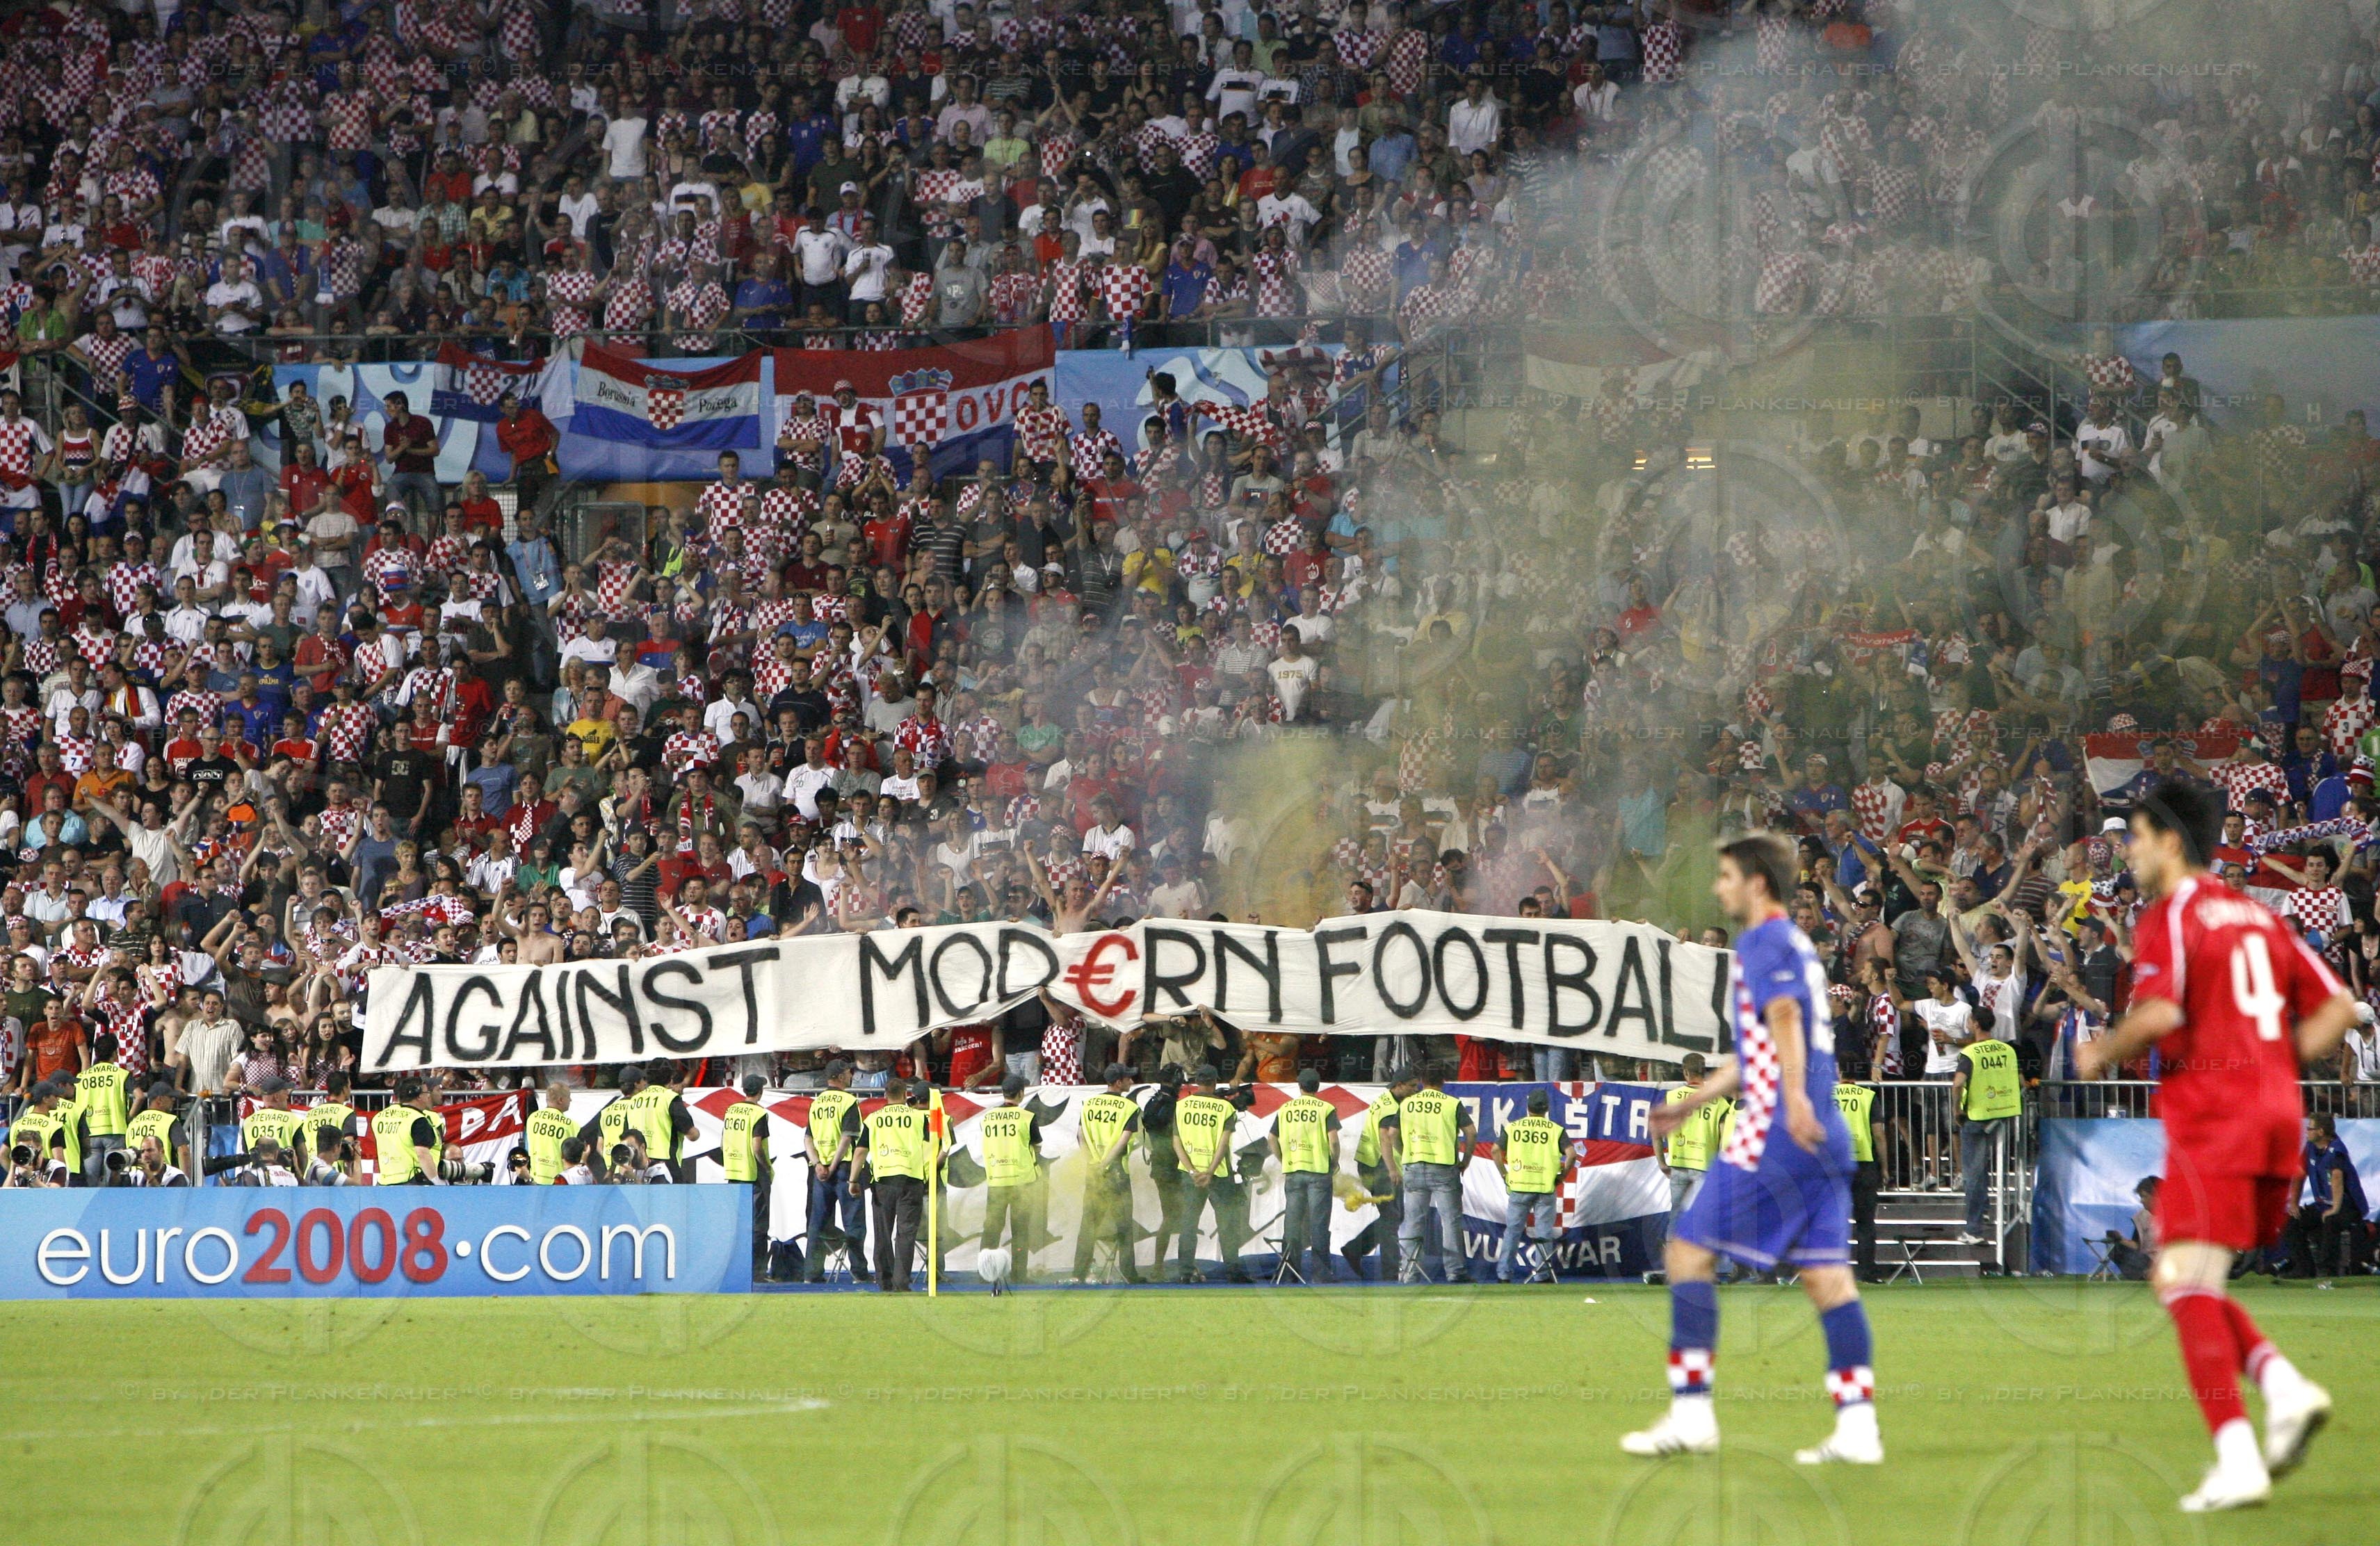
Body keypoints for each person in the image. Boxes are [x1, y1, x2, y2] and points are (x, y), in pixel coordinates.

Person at [2075, 780, 2352, 1511]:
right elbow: (2339, 1008)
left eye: (2135, 835)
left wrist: (2102, 1049)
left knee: (2185, 1281)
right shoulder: (2258, 915)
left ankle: (2237, 1455)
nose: (2128, 849)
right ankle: (2284, 1387)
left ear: (2169, 841)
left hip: (2215, 1117)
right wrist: (2273, 1069)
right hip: (2274, 1118)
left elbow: (2163, 1007)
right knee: (2185, 1279)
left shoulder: (2174, 913)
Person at [1624, 833, 1879, 1466]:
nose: (1718, 887)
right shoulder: (1793, 943)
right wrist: (1691, 1102)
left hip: (1775, 1133)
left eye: (1725, 875)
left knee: (1685, 1252)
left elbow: (1787, 1018)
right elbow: (1759, 1047)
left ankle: (1690, 1414)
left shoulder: (1763, 941)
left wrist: (1791, 1099)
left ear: (1755, 882)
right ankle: (1857, 1427)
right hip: (1823, 1138)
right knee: (1826, 1279)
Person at [1386, 1063, 1475, 1283]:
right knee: (1450, 1221)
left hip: (1414, 1165)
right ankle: (1455, 1272)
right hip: (1444, 1167)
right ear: (1443, 1082)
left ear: (1421, 1082)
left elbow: (1391, 1133)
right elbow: (1471, 1133)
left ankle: (1408, 1272)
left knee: (1412, 1221)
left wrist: (1405, 1152)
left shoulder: (1407, 1104)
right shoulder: (1452, 1104)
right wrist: (1465, 1160)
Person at [1949, 1020, 2023, 1260]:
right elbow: (2020, 1081)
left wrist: (1956, 1110)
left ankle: (1973, 1229)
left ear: (1975, 1024)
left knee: (1973, 1175)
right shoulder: (2007, 1049)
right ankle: (1985, 1211)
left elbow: (1958, 1083)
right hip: (2002, 1116)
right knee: (1983, 1172)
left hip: (1976, 1117)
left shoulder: (1970, 1052)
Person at [855, 1076, 935, 1292]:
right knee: (906, 1233)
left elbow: (861, 1151)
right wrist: (926, 1173)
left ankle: (884, 1280)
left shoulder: (873, 1119)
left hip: (883, 1180)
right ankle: (901, 1282)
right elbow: (930, 1147)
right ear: (906, 1094)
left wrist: (853, 1179)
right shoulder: (919, 1118)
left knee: (883, 1231)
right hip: (911, 1179)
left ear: (885, 1095)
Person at [1171, 1064, 1249, 1283]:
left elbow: (1176, 1142)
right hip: (1219, 1174)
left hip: (1190, 1174)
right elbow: (1223, 1145)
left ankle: (1185, 1272)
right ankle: (1233, 1271)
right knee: (1227, 1223)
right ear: (1215, 1082)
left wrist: (1193, 1170)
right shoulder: (1225, 1108)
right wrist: (1210, 1171)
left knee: (1188, 1223)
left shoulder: (1181, 1106)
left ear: (1196, 1082)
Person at [1339, 1068, 1419, 1280]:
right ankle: (1390, 1274)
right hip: (1380, 1166)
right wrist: (1393, 1169)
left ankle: (1356, 1249)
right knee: (1392, 1218)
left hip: (1369, 1161)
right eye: (1412, 1086)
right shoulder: (1392, 1108)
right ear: (1399, 1085)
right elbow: (1386, 1138)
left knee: (1392, 1216)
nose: (1415, 1090)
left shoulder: (1384, 1100)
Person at [1071, 1063, 1144, 1283]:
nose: (1132, 1081)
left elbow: (1081, 1136)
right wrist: (1106, 1163)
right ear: (1118, 1082)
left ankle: (1079, 1273)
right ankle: (1129, 1273)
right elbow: (1123, 1141)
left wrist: (1092, 1162)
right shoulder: (1129, 1108)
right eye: (1128, 1078)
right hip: (1117, 1172)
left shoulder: (1090, 1104)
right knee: (1124, 1225)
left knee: (1088, 1224)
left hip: (1092, 1172)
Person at [1268, 1067, 1342, 1283]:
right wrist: (1334, 1163)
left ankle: (1290, 1272)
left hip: (1294, 1171)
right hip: (1319, 1172)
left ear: (1299, 1086)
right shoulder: (1326, 1108)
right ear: (1317, 1087)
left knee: (1292, 1223)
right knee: (1318, 1224)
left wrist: (1284, 1160)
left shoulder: (1285, 1109)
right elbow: (1334, 1141)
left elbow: (1272, 1139)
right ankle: (1321, 1274)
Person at [803, 1058, 869, 1280]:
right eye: (849, 1073)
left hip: (820, 1171)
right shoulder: (849, 1101)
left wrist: (818, 1165)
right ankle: (859, 1273)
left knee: (818, 1223)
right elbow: (847, 1137)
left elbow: (807, 1139)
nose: (852, 1076)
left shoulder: (816, 1102)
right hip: (844, 1169)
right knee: (854, 1223)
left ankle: (811, 1273)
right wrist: (832, 1166)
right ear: (840, 1076)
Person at [977, 1073, 1046, 1283]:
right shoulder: (1027, 1117)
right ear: (1021, 1094)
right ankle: (1018, 1274)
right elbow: (1037, 1146)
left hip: (996, 1180)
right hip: (1021, 1181)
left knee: (991, 1228)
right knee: (1020, 1230)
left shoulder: (987, 1118)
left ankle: (984, 1274)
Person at [1495, 1089, 1568, 1284]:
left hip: (1519, 1186)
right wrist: (1563, 1176)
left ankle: (1504, 1274)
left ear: (1528, 1107)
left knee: (1513, 1231)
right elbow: (1572, 1154)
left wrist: (1505, 1174)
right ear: (1547, 1109)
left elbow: (1495, 1150)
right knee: (1544, 1232)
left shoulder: (1513, 1128)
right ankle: (1543, 1275)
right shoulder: (1555, 1129)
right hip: (1545, 1187)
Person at [1656, 1052, 1724, 1244]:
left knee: (1676, 1215)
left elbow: (1656, 1133)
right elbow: (1723, 1136)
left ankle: (1674, 1268)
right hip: (1705, 1165)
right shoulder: (1718, 1100)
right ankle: (1705, 1267)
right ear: (1704, 1071)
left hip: (1678, 1163)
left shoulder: (1672, 1097)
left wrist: (1662, 1162)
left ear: (1685, 1072)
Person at [720, 1074, 775, 1281]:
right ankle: (757, 1273)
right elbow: (757, 1146)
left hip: (733, 1172)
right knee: (758, 1227)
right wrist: (766, 1167)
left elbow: (723, 1142)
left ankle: (736, 1269)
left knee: (738, 1225)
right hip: (752, 1174)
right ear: (760, 1092)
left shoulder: (731, 1111)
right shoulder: (758, 1113)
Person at [1832, 1078, 1884, 1282]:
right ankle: (1866, 1272)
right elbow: (1879, 1135)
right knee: (1865, 1222)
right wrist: (1885, 1167)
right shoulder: (1868, 1096)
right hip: (1864, 1165)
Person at [71, 1032, 133, 1182]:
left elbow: (73, 1103)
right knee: (112, 1178)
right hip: (115, 1129)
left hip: (89, 1131)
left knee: (90, 1179)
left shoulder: (82, 1077)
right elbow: (139, 1095)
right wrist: (129, 1117)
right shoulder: (122, 1074)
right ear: (115, 1054)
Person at [371, 1077, 443, 1185]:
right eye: (426, 1092)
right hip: (412, 1181)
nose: (429, 1095)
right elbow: (422, 1154)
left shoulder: (379, 1117)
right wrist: (437, 1182)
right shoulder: (418, 1119)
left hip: (384, 1181)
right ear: (419, 1096)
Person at [124, 1082, 193, 1180]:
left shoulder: (133, 1123)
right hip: (164, 1179)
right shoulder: (169, 1120)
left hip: (137, 1181)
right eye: (170, 1097)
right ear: (160, 1099)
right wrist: (186, 1181)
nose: (173, 1100)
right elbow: (184, 1152)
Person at [524, 1082, 578, 1185]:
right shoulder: (572, 1125)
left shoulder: (532, 1119)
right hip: (560, 1181)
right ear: (561, 1100)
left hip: (535, 1178)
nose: (570, 1100)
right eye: (569, 1097)